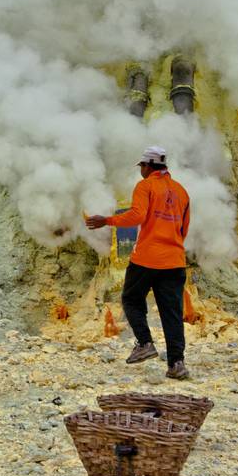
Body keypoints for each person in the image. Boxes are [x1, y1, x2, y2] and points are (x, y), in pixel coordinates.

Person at [86, 146, 191, 380]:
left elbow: (137, 215)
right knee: (172, 313)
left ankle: (144, 343)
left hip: (146, 258)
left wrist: (107, 220)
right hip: (174, 260)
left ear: (147, 166)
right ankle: (176, 363)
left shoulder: (145, 186)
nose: (140, 171)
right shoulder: (181, 191)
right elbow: (183, 228)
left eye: (141, 166)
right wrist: (171, 249)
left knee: (131, 299)